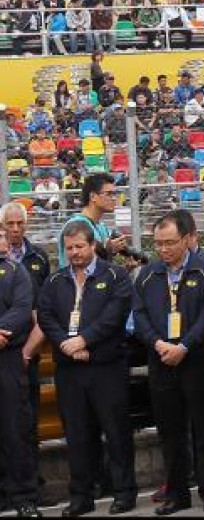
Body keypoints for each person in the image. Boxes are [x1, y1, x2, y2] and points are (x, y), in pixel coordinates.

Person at [37, 221, 137, 517]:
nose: (75, 253)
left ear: (93, 245)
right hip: (70, 369)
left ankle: (124, 492)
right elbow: (46, 315)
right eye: (69, 248)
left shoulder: (115, 275)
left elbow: (114, 315)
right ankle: (82, 495)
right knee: (77, 435)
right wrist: (66, 344)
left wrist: (84, 340)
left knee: (116, 431)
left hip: (106, 366)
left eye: (80, 247)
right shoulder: (55, 281)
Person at [132, 211, 204, 515]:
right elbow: (139, 316)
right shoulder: (148, 274)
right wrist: (158, 344)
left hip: (198, 360)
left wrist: (185, 345)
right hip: (161, 361)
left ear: (186, 238)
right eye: (158, 243)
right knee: (170, 431)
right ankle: (177, 492)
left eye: (170, 242)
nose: (164, 249)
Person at [0, 222, 41, 519]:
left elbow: (23, 308)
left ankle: (23, 497)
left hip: (8, 358)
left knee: (15, 429)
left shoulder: (17, 272)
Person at [58, 172, 128, 267]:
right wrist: (108, 249)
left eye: (114, 194)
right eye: (109, 194)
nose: (114, 198)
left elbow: (103, 269)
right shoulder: (75, 226)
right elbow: (81, 266)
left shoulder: (101, 227)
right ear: (93, 196)